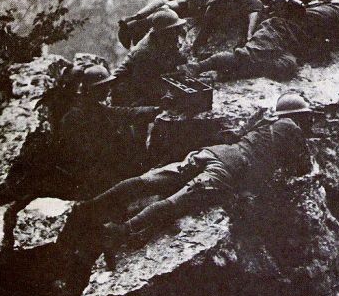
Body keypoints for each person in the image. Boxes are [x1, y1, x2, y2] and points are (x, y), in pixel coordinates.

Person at [86, 92, 314, 253]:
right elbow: (304, 167)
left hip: (214, 153)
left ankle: (94, 205)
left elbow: (235, 134)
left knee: (154, 180)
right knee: (177, 202)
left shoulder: (265, 120)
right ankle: (123, 230)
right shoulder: (292, 129)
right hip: (229, 169)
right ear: (298, 117)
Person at [179, 0, 339, 81]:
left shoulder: (331, 8)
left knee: (287, 66)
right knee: (245, 55)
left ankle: (236, 71)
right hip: (277, 32)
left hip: (285, 40)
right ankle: (199, 66)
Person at [56, 65, 160, 194]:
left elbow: (123, 113)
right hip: (90, 177)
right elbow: (84, 156)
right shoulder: (75, 116)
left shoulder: (92, 107)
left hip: (101, 169)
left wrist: (155, 111)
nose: (108, 90)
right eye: (103, 86)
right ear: (92, 89)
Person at [102, 7, 186, 106]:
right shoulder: (144, 52)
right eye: (173, 30)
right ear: (163, 33)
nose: (176, 33)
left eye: (176, 29)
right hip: (128, 92)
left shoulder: (165, 41)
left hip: (146, 82)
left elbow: (177, 58)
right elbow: (145, 84)